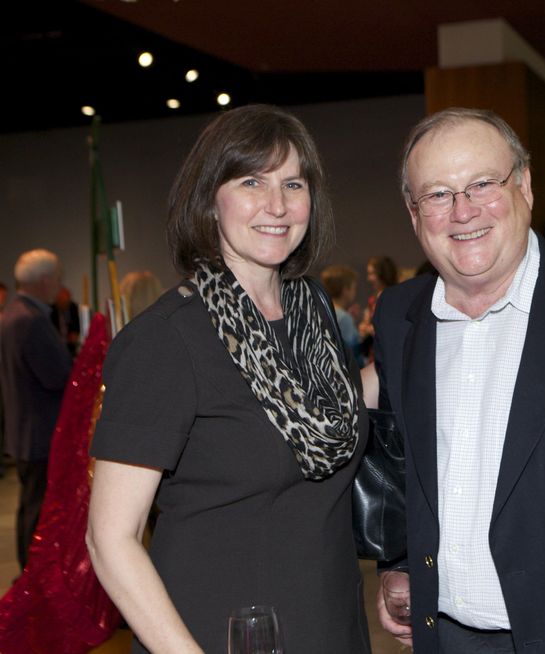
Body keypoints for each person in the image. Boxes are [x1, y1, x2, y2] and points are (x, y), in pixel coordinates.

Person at [86, 104, 370, 653]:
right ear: (210, 201)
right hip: (220, 635)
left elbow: (338, 406)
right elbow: (109, 539)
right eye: (251, 181)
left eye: (294, 182)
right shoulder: (167, 339)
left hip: (333, 624)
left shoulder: (309, 309)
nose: (277, 205)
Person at [373, 107, 545, 653]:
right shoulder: (398, 316)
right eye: (437, 194)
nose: (463, 211)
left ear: (524, 185)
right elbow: (400, 457)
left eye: (482, 183)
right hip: (441, 638)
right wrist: (398, 561)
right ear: (413, 215)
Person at [0, 249, 73, 569]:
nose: (59, 284)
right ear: (45, 280)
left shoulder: (11, 314)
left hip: (23, 429)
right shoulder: (32, 321)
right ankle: (33, 576)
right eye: (57, 278)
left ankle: (27, 572)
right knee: (37, 509)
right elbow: (58, 376)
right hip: (41, 431)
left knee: (28, 506)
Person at [321, 264, 365, 368]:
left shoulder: (324, 311)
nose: (355, 292)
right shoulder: (344, 318)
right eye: (354, 288)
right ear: (345, 290)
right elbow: (352, 353)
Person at [358, 254, 398, 361]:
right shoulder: (373, 299)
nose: (369, 278)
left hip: (387, 354)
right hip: (375, 353)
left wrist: (369, 329)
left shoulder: (393, 298)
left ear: (383, 273)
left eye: (372, 273)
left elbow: (391, 329)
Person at [51, 285, 81, 357]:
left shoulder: (75, 309)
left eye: (67, 300)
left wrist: (76, 334)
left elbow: (79, 327)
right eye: (62, 300)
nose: (65, 303)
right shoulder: (51, 311)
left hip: (71, 348)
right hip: (55, 347)